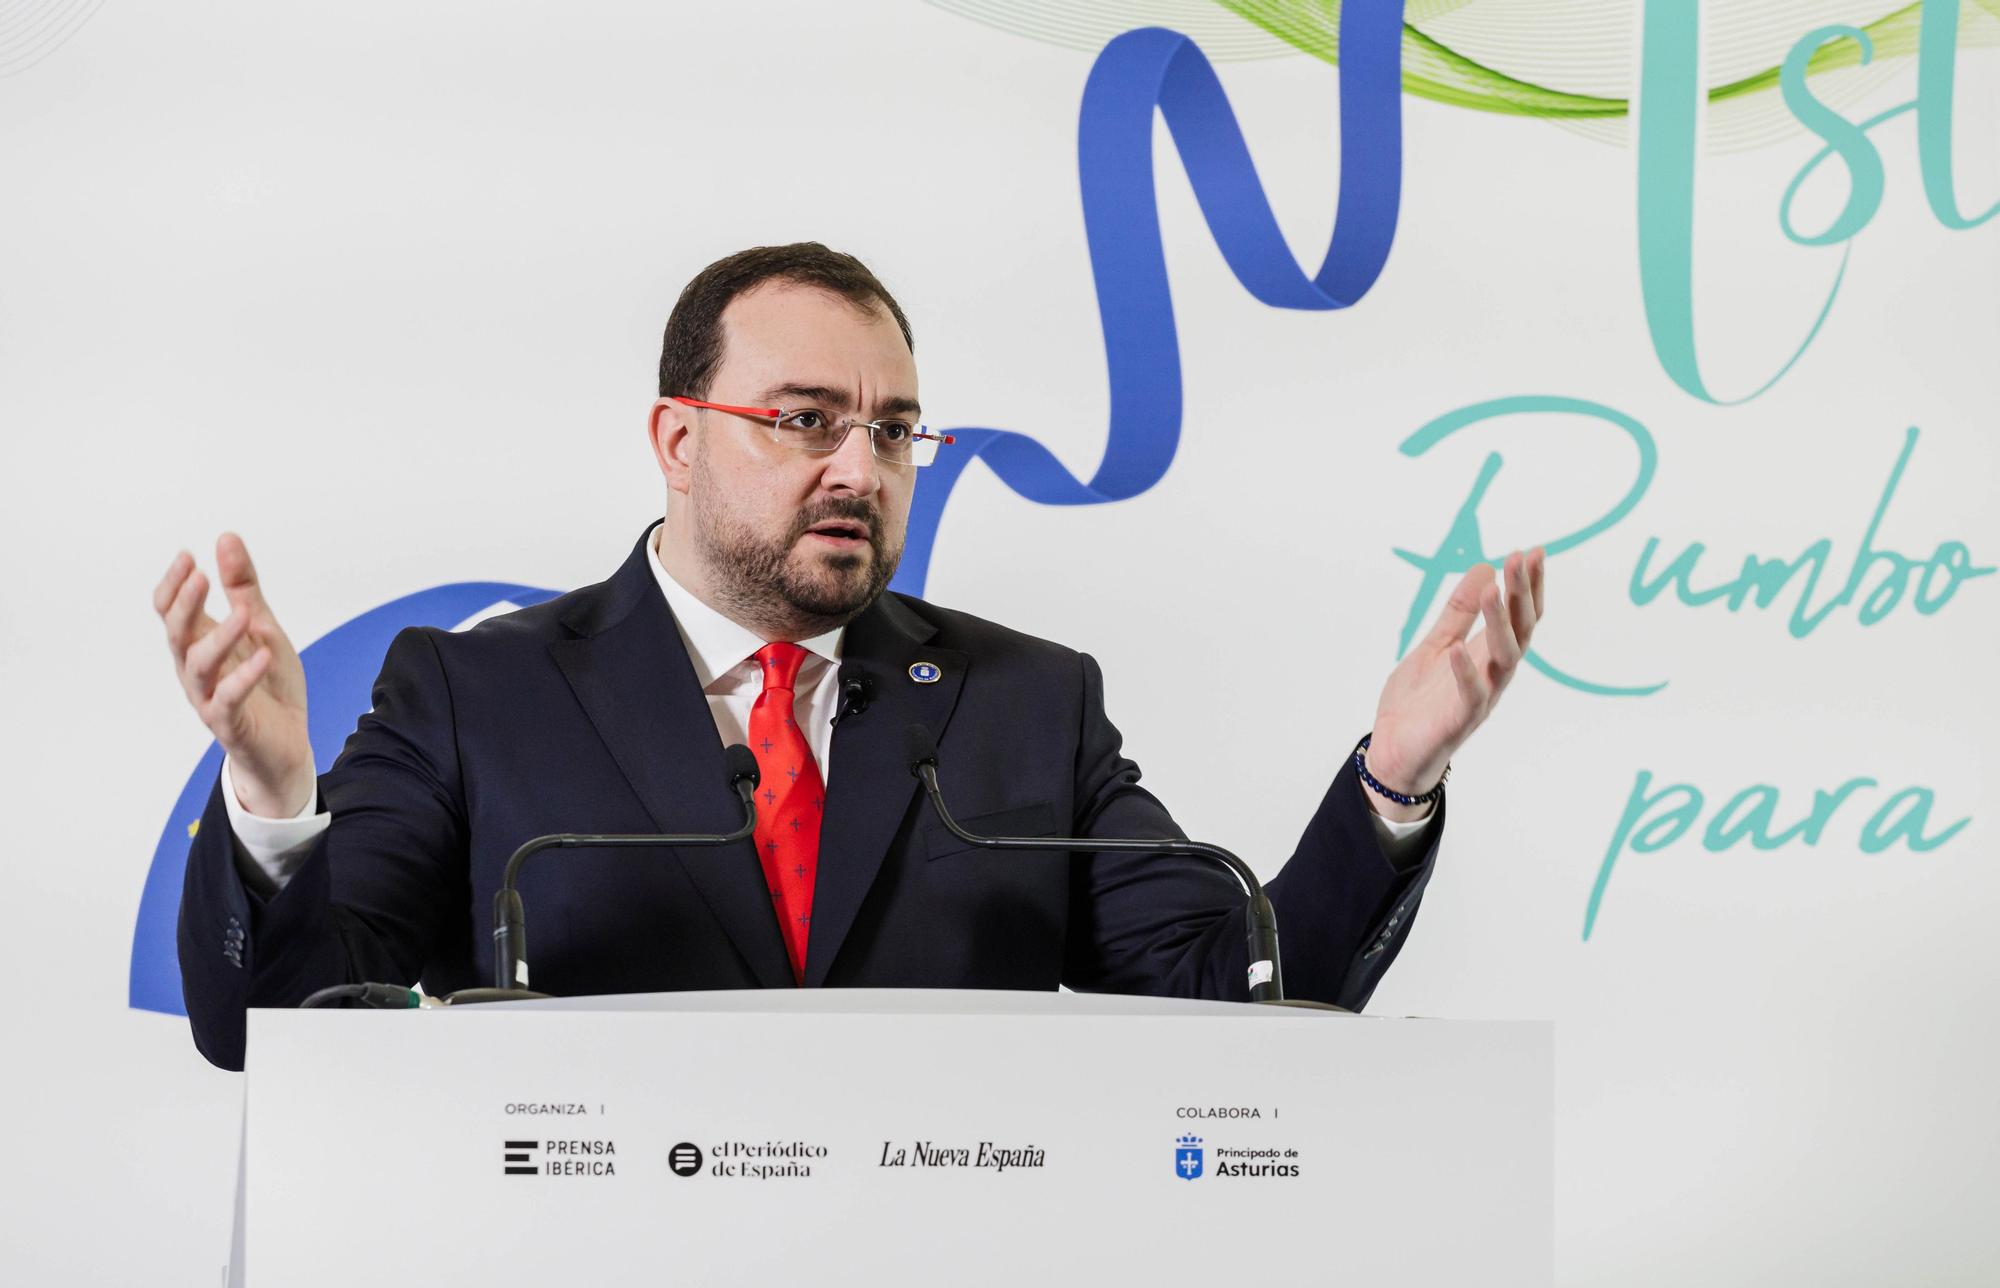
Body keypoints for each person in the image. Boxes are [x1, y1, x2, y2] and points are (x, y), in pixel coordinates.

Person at [156, 243, 1545, 1071]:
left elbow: (1242, 1003)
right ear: (679, 439)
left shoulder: (1025, 705)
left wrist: (1391, 781)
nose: (859, 467)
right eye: (806, 418)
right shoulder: (474, 694)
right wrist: (275, 802)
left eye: (893, 431)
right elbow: (284, 1035)